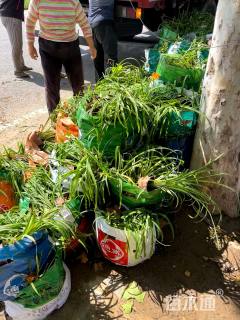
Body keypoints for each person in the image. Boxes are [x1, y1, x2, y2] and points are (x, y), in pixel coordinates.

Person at [26, 0, 97, 113]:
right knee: (52, 86)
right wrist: (30, 44)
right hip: (48, 48)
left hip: (70, 48)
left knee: (78, 85)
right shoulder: (37, 1)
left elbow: (84, 24)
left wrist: (91, 46)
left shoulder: (73, 1)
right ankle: (55, 120)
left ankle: (80, 115)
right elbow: (30, 21)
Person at [0, 0, 32, 78]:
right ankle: (18, 70)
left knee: (18, 42)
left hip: (9, 13)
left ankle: (21, 65)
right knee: (16, 45)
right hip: (11, 15)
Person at [88, 0, 118, 80]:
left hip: (92, 24)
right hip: (105, 23)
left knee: (97, 58)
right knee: (111, 58)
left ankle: (99, 86)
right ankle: (112, 84)